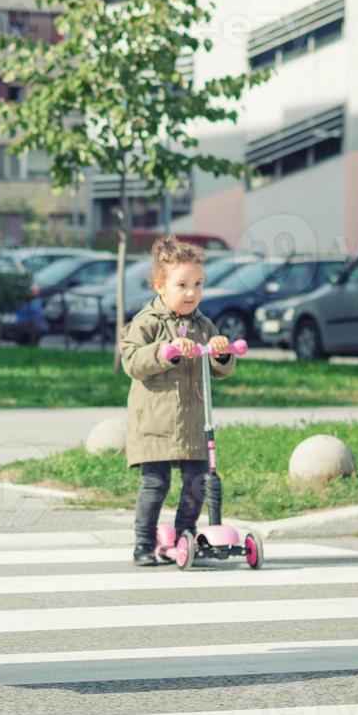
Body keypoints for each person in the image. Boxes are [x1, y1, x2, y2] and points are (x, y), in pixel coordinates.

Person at [119, 236, 237, 566]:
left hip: (194, 424)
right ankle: (143, 542)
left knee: (198, 483)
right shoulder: (147, 323)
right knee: (155, 484)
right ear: (160, 286)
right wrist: (164, 351)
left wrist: (221, 352)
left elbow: (220, 370)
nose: (191, 293)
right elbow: (132, 361)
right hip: (155, 424)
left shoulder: (203, 325)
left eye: (198, 284)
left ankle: (186, 534)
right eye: (182, 284)